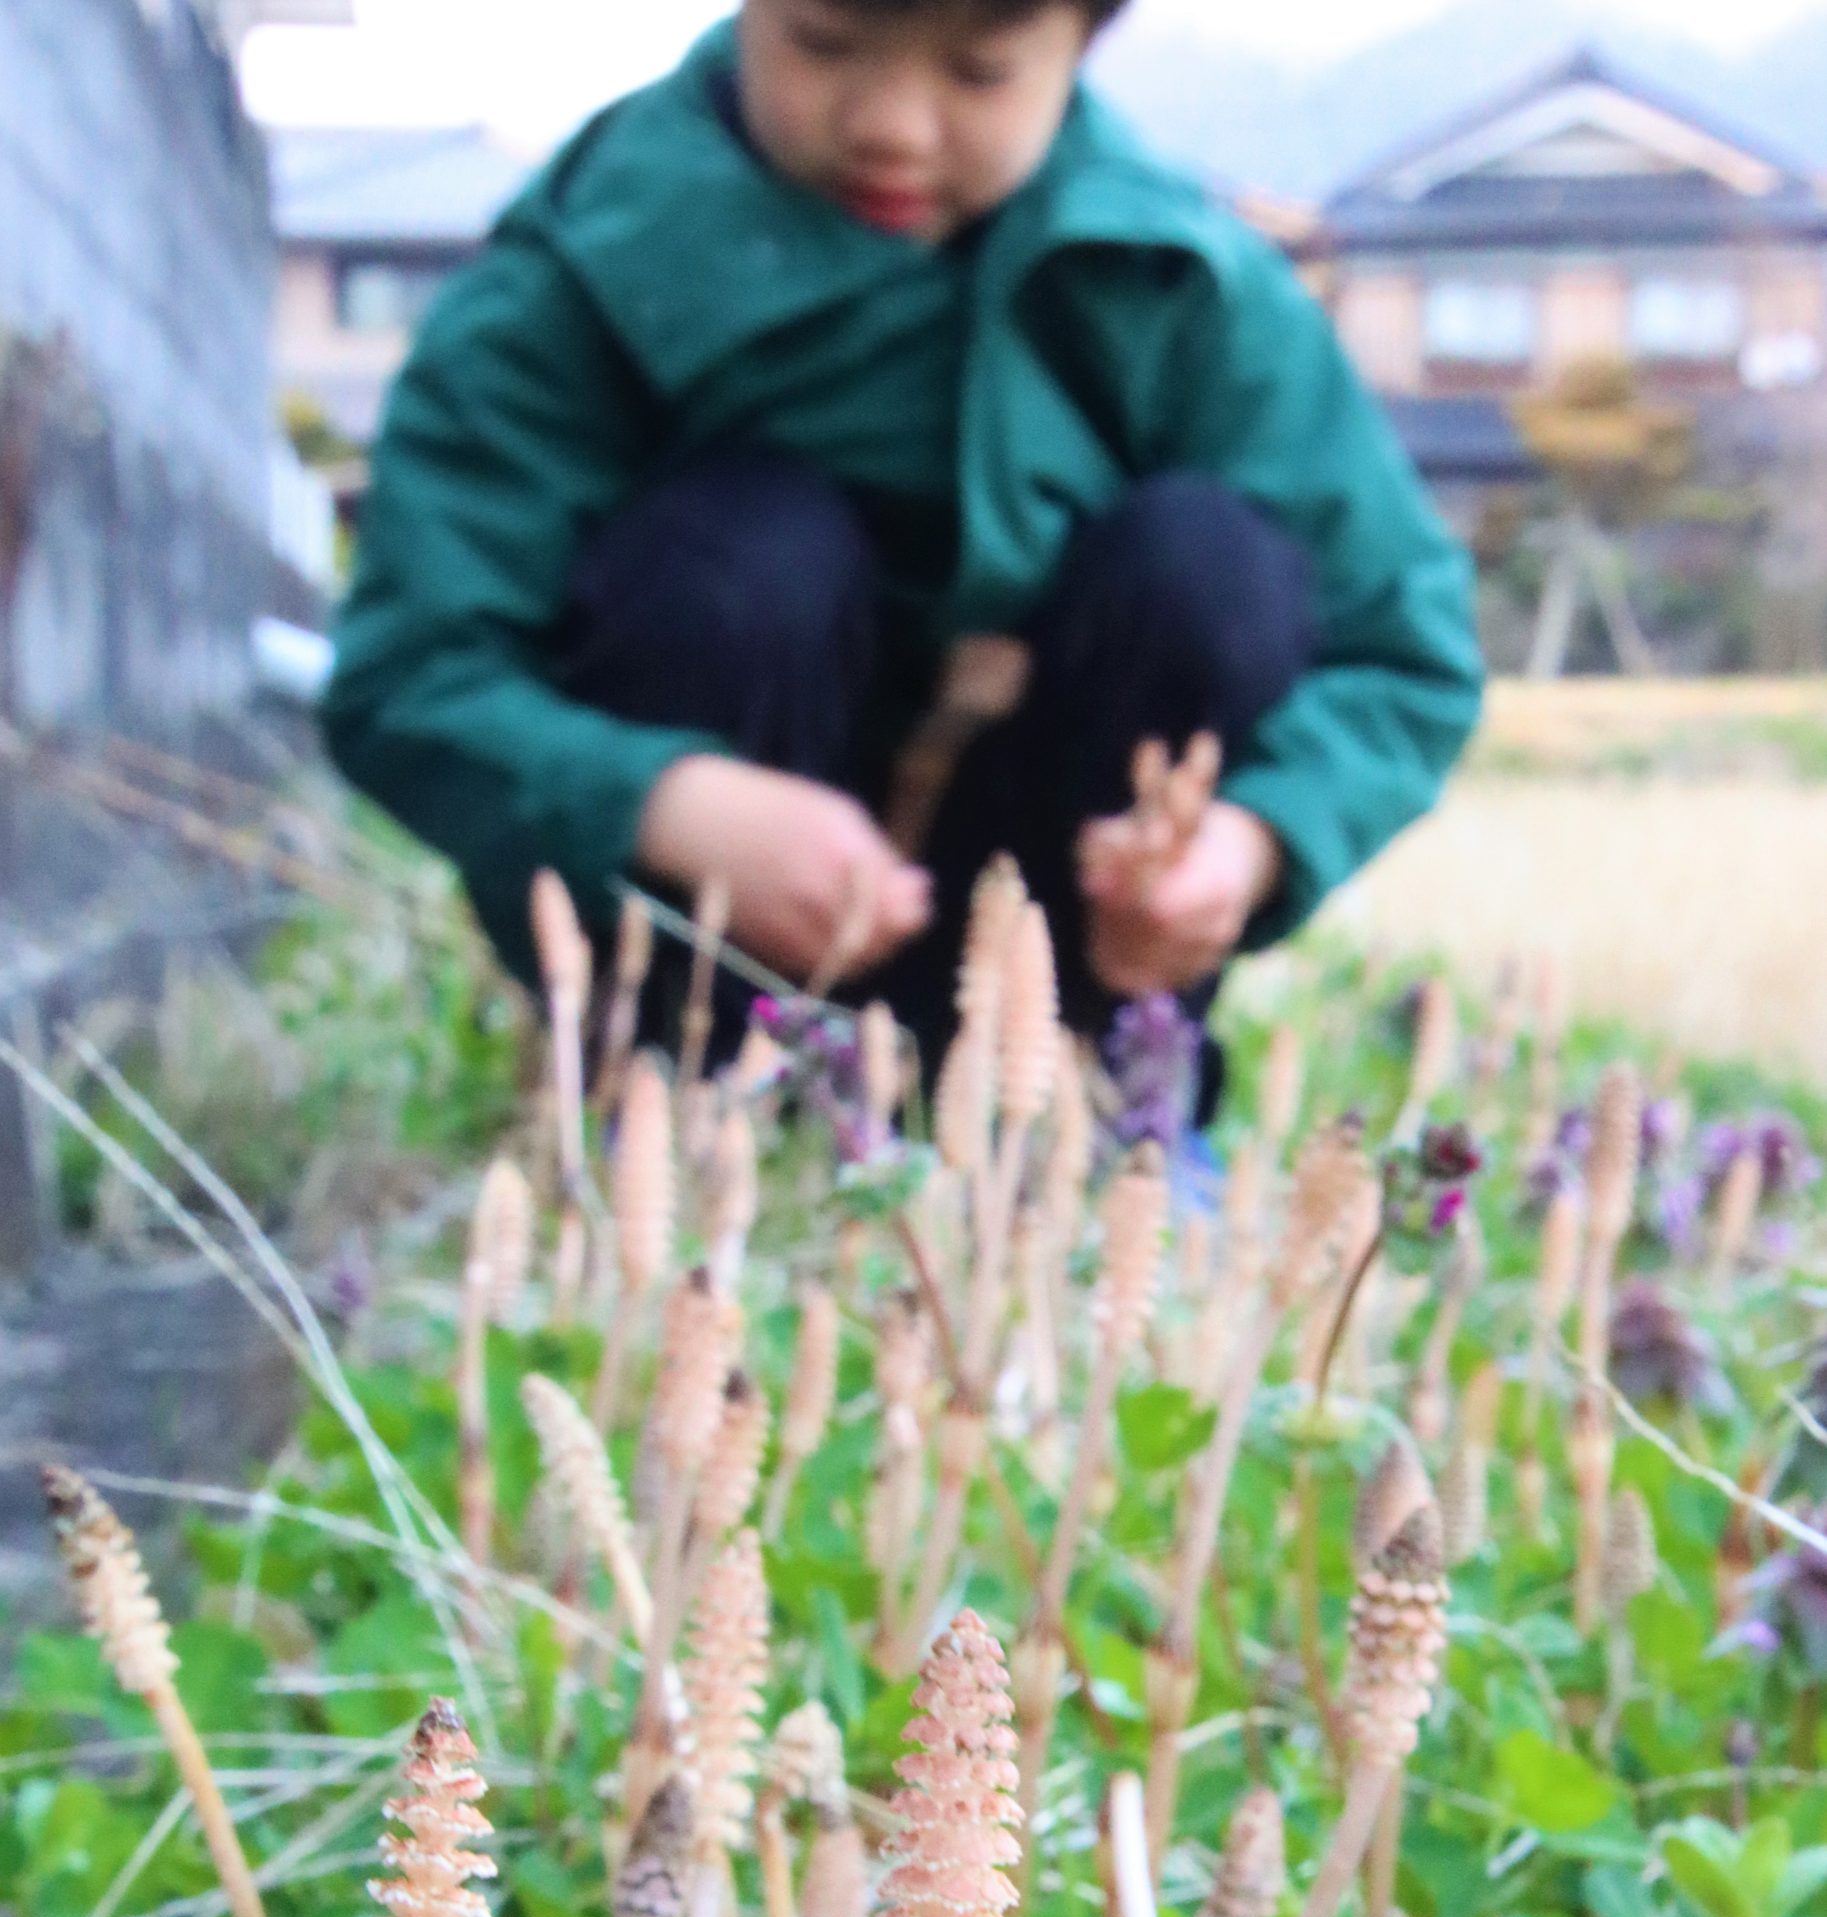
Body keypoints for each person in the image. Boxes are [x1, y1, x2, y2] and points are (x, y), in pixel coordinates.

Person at [323, 0, 1484, 1101]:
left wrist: (1245, 841)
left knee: (1207, 568)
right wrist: (670, 804)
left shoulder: (1179, 281)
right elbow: (411, 672)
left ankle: (1100, 1101)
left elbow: (1405, 647)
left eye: (979, 71)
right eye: (824, 43)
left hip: (1052, 932)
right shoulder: (587, 265)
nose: (893, 127)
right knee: (739, 556)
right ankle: (679, 1097)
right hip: (709, 923)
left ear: (1083, 39)